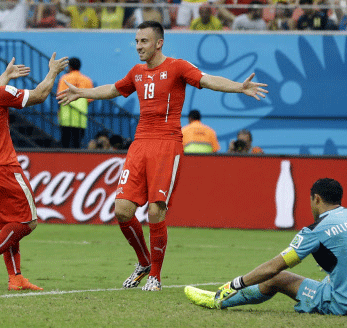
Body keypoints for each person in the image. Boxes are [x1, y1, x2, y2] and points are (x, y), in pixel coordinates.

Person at [57, 21, 268, 291]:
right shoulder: (136, 71)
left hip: (167, 144)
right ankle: (144, 261)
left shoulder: (178, 67)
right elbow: (112, 89)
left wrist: (239, 87)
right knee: (122, 210)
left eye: (143, 41)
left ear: (159, 43)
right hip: (140, 144)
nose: (138, 47)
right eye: (136, 41)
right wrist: (81, 92)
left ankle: (155, 275)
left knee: (156, 210)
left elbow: (208, 79)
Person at [185, 178, 347, 316]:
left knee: (278, 279)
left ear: (316, 199)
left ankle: (218, 300)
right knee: (331, 276)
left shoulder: (315, 230)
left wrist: (235, 283)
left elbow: (274, 269)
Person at [0, 41, 68, 291]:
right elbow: (38, 95)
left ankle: (15, 277)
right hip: (3, 168)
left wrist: (5, 75)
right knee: (27, 222)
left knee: (9, 224)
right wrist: (53, 72)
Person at [57, 57, 93, 149]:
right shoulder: (87, 80)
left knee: (65, 143)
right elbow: (90, 99)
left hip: (66, 116)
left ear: (69, 67)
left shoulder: (64, 78)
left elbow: (60, 96)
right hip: (81, 117)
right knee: (77, 144)